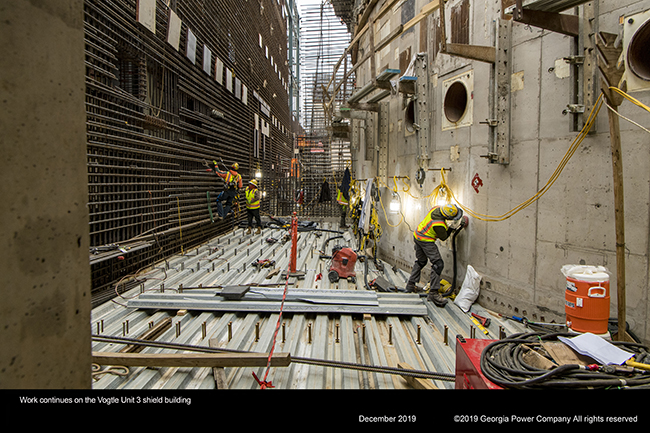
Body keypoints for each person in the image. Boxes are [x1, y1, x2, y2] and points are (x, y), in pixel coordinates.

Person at [405, 203, 465, 307]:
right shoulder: (439, 224)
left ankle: (410, 285)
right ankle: (433, 293)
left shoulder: (436, 208)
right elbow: (443, 237)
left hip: (417, 235)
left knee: (421, 261)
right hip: (426, 240)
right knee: (438, 264)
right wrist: (451, 227)